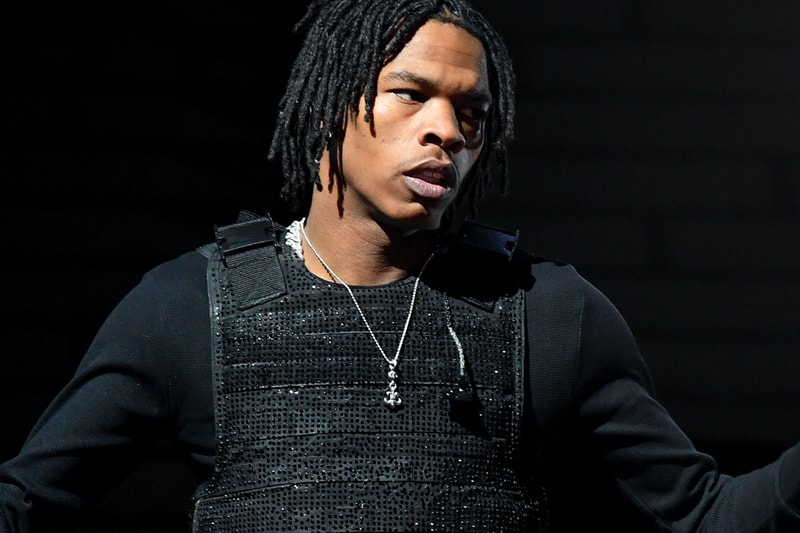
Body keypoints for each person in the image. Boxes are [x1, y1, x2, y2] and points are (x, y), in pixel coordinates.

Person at [1, 0, 799, 531]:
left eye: (472, 112)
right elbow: (25, 501)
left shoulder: (548, 310)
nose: (447, 130)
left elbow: (708, 511)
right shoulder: (188, 307)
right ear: (328, 105)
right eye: (411, 94)